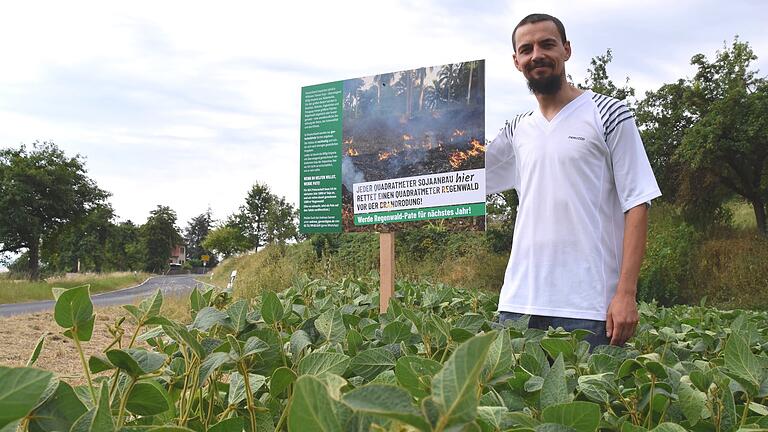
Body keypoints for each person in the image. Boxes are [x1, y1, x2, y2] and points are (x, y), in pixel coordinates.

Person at [486, 13, 661, 348]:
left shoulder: (609, 114)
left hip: (589, 307)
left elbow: (637, 203)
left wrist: (626, 293)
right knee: (517, 401)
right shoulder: (516, 129)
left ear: (566, 49)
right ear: (516, 61)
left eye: (547, 44)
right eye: (526, 49)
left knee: (589, 400)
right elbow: (460, 179)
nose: (536, 54)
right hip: (519, 304)